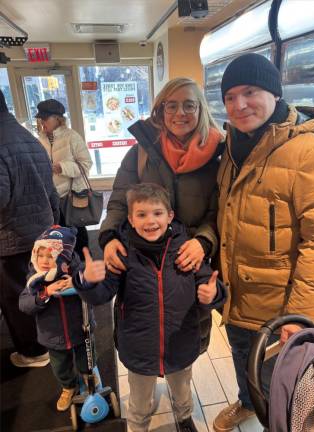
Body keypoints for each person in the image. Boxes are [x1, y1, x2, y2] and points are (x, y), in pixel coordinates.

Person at [212, 53, 314, 432]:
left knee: (285, 389)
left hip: (283, 308)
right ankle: (247, 404)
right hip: (238, 296)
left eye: (250, 92)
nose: (239, 104)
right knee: (244, 359)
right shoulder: (233, 147)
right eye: (230, 96)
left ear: (274, 93)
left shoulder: (309, 152)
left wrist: (301, 315)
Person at [74, 183, 227, 432]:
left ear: (170, 216)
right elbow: (102, 293)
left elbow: (207, 282)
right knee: (140, 401)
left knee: (182, 389)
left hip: (180, 341)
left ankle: (184, 416)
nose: (150, 221)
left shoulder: (186, 249)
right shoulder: (122, 253)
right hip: (139, 346)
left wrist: (213, 293)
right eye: (142, 214)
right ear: (131, 220)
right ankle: (138, 426)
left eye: (157, 213)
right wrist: (88, 282)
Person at [99, 77, 224, 353]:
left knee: (186, 340)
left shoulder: (219, 156)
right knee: (144, 334)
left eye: (189, 105)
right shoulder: (141, 152)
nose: (180, 113)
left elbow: (220, 213)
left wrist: (203, 242)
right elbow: (120, 199)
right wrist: (108, 237)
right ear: (160, 110)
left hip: (189, 264)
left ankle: (181, 392)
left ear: (201, 110)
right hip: (143, 262)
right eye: (172, 106)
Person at [0, 90, 59, 368]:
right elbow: (51, 192)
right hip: (42, 233)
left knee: (16, 298)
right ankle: (50, 342)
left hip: (11, 238)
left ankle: (34, 352)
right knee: (39, 290)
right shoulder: (29, 139)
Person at [19, 225, 96, 412]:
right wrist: (45, 293)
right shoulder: (34, 280)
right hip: (53, 334)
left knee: (86, 358)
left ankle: (88, 376)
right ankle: (68, 386)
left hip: (81, 328)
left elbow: (96, 284)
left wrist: (79, 282)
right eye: (41, 255)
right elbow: (24, 304)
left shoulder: (78, 269)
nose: (45, 261)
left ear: (63, 257)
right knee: (60, 365)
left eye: (51, 256)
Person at [35, 98, 93, 260]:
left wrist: (62, 167)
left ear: (57, 118)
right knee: (57, 235)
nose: (42, 122)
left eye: (45, 118)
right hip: (50, 197)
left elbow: (86, 164)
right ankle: (64, 267)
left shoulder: (71, 137)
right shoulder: (40, 139)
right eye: (40, 118)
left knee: (77, 233)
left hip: (71, 195)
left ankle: (84, 265)